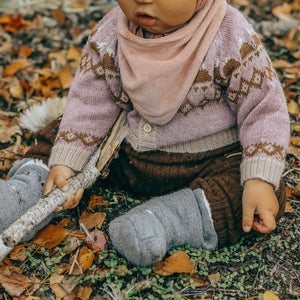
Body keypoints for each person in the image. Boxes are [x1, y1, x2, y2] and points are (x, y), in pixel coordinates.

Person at [0, 0, 289, 265]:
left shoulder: (230, 36)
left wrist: (259, 179)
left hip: (205, 161)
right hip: (123, 154)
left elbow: (263, 108)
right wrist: (67, 160)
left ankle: (165, 221)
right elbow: (90, 100)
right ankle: (28, 190)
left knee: (258, 190)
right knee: (66, 129)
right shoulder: (111, 33)